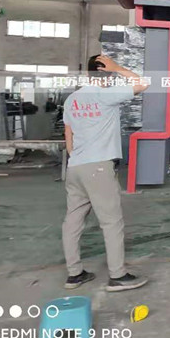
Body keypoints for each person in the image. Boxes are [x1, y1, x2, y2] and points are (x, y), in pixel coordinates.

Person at [61, 55, 149, 291]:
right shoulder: (104, 95)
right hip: (98, 167)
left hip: (75, 167)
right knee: (111, 222)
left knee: (73, 221)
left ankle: (74, 274)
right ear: (105, 74)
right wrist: (118, 68)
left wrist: (77, 158)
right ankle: (118, 276)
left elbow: (68, 135)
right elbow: (142, 83)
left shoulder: (72, 99)